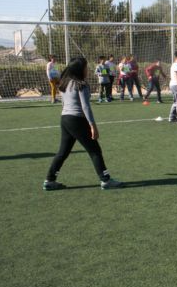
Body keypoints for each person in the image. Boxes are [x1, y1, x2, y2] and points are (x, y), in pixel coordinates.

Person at [43, 57, 123, 191]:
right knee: (94, 150)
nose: (88, 69)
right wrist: (93, 126)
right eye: (86, 67)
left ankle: (49, 180)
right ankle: (105, 180)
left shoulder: (64, 83)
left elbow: (64, 103)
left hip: (65, 119)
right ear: (80, 69)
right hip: (77, 120)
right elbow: (86, 107)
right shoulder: (81, 84)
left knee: (63, 152)